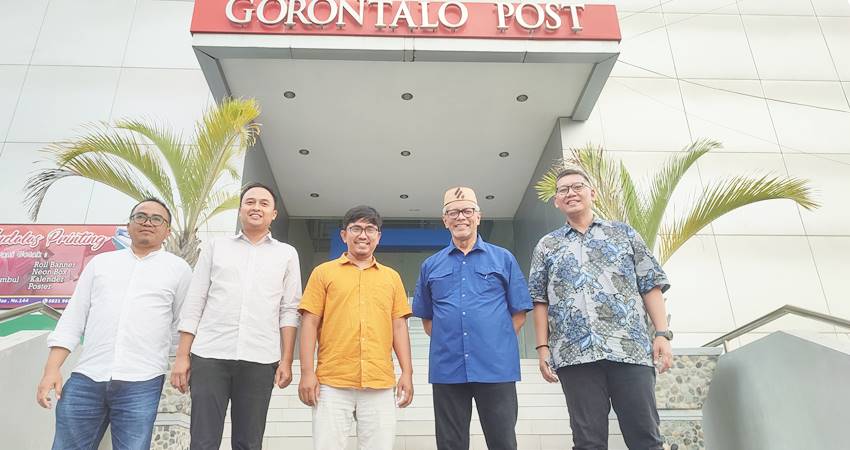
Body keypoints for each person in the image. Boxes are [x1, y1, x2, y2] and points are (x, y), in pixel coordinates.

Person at [528, 168, 673, 450]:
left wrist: (662, 334)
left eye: (577, 186)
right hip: (575, 356)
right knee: (587, 443)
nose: (570, 193)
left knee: (646, 438)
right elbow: (540, 300)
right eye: (563, 190)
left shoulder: (623, 233)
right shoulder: (547, 245)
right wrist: (543, 348)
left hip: (629, 349)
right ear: (556, 201)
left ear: (592, 193)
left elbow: (650, 284)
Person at [36, 198, 192, 450]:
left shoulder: (179, 269)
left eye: (157, 219)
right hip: (87, 377)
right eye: (140, 217)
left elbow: (181, 324)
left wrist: (180, 362)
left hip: (142, 380)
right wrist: (51, 369)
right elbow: (74, 318)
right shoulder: (101, 264)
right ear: (128, 226)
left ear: (167, 231)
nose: (147, 223)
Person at [171, 182, 301, 450]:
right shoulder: (216, 247)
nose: (256, 207)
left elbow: (289, 310)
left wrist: (286, 360)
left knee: (249, 442)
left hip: (260, 358)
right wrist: (182, 356)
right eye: (250, 202)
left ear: (274, 213)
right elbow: (195, 301)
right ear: (240, 210)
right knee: (203, 441)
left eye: (264, 203)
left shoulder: (287, 254)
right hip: (209, 355)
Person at [412, 187, 532, 450]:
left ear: (478, 216)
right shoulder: (430, 265)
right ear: (445, 220)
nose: (460, 217)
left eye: (467, 211)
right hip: (448, 368)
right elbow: (428, 320)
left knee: (502, 441)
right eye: (453, 212)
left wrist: (494, 341)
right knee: (450, 443)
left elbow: (519, 313)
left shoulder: (503, 258)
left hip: (496, 367)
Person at [298, 205, 413, 450]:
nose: (363, 235)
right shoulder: (323, 273)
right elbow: (309, 322)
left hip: (379, 382)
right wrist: (307, 372)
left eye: (370, 229)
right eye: (356, 229)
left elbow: (399, 327)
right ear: (344, 235)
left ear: (378, 236)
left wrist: (407, 372)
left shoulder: (392, 277)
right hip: (332, 381)